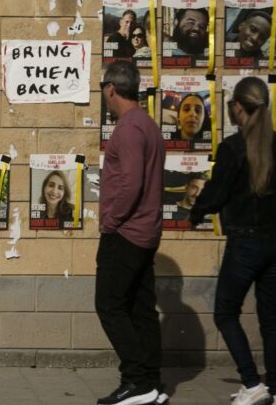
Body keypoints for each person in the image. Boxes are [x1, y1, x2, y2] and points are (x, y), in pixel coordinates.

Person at [189, 76, 276, 405]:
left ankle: (253, 384)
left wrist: (196, 212)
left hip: (246, 245)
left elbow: (215, 195)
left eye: (231, 105)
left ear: (238, 106)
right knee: (271, 319)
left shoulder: (232, 147)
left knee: (225, 313)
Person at [96, 60, 165, 405]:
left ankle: (136, 379)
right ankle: (152, 383)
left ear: (111, 89)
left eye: (103, 91)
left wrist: (110, 221)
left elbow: (132, 183)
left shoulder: (128, 129)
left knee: (108, 304)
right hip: (146, 231)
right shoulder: (148, 125)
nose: (104, 98)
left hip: (125, 233)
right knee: (141, 307)